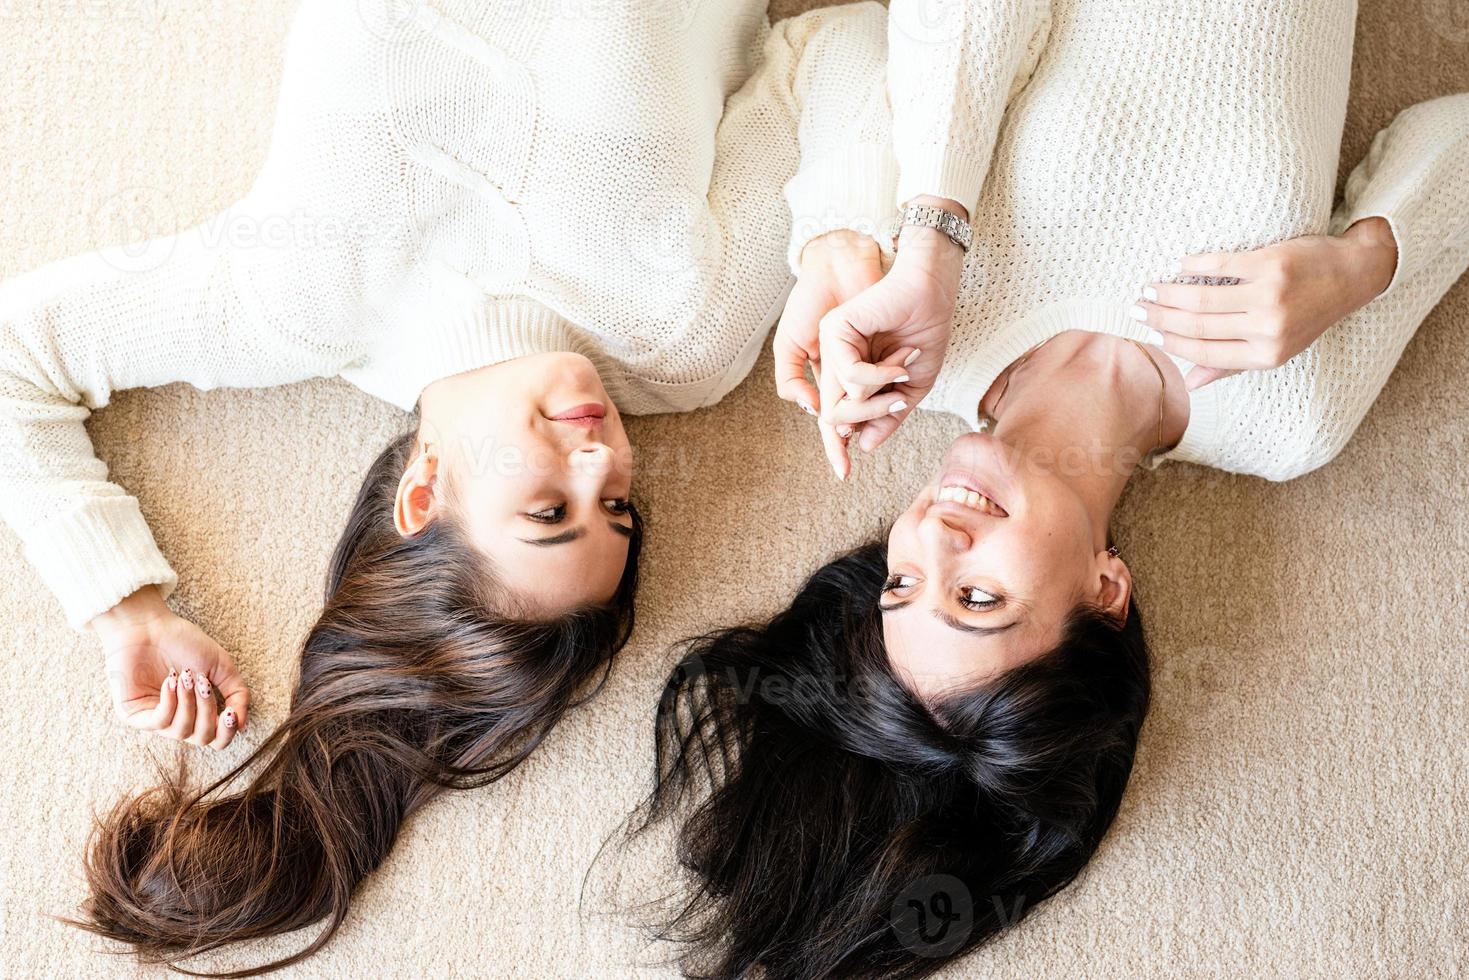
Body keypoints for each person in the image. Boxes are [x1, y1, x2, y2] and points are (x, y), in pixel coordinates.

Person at [0, 0, 900, 970]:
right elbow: (843, 42)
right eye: (618, 509)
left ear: (422, 494)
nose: (605, 460)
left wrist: (126, 608)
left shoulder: (294, 298)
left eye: (549, 507)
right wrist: (838, 242)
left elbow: (16, 354)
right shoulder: (685, 345)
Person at [644, 0, 1469, 974]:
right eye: (978, 596)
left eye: (898, 584)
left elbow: (849, 42)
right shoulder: (1284, 419)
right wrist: (1359, 262)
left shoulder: (915, 335)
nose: (934, 538)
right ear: (1104, 593)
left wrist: (899, 243)